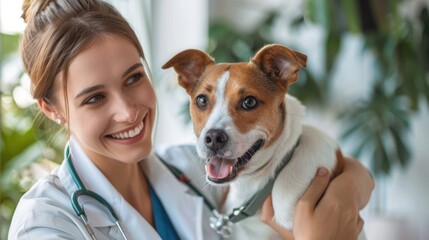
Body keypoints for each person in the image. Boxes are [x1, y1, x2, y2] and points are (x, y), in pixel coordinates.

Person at [8, 0, 375, 239]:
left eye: (134, 77)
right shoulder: (47, 223)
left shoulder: (191, 166)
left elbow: (353, 173)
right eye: (94, 98)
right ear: (52, 109)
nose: (128, 111)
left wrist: (350, 189)